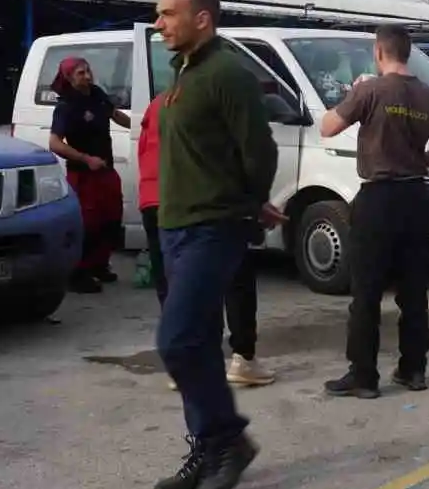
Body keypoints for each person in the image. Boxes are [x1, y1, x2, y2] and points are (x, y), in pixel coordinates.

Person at [151, 0, 280, 489]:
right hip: (176, 226)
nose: (159, 24)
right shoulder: (184, 70)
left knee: (176, 341)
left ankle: (228, 440)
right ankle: (208, 448)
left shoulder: (228, 73)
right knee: (198, 344)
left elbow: (260, 151)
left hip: (213, 226)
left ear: (202, 18)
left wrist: (251, 203)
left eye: (167, 14)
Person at [319, 24, 429, 398]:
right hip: (415, 198)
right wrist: (415, 160)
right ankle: (413, 370)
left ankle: (364, 376)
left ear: (379, 52)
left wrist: (350, 95)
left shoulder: (371, 90)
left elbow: (327, 127)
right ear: (407, 52)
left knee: (366, 291)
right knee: (414, 290)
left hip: (377, 198)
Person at [140, 93, 274, 390]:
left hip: (154, 200)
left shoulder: (157, 104)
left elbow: (145, 152)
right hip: (198, 201)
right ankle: (243, 359)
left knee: (176, 284)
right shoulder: (214, 102)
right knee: (235, 275)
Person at [47, 56, 130, 294]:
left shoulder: (96, 94)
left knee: (112, 218)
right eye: (81, 73)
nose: (87, 76)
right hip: (84, 175)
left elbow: (115, 114)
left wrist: (141, 124)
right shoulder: (66, 106)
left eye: (88, 71)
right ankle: (78, 273)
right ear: (69, 78)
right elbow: (54, 143)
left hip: (106, 169)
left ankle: (99, 265)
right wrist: (85, 159)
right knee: (88, 225)